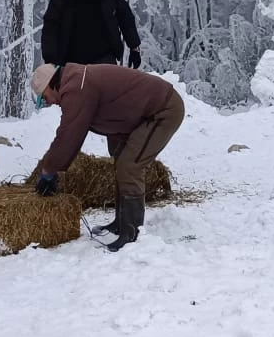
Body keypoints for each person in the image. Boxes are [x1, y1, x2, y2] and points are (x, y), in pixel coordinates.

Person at [29, 61, 184, 251]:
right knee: (122, 162)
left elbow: (69, 134)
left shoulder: (76, 87)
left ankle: (132, 231)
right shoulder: (75, 81)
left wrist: (48, 170)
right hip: (143, 115)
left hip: (163, 110)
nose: (49, 102)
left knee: (130, 165)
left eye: (45, 97)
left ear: (51, 85)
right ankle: (122, 222)